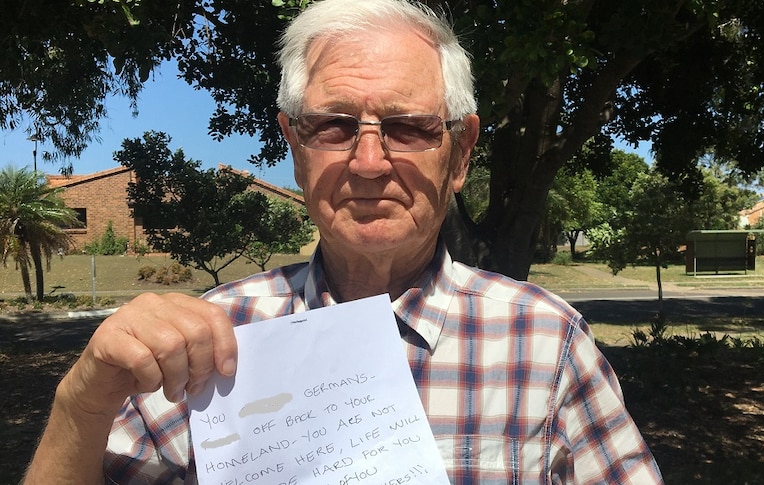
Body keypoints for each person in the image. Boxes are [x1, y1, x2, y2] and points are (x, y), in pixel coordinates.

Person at [23, 0, 663, 483]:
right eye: (332, 126)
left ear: (461, 153)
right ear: (295, 148)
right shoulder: (207, 340)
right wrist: (82, 401)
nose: (367, 162)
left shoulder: (544, 340)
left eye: (409, 128)